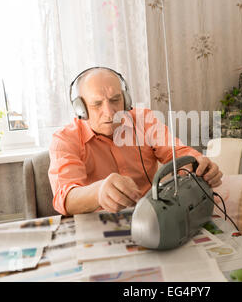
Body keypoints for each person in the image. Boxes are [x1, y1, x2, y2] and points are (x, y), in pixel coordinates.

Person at [48, 67, 223, 216]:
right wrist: (98, 192)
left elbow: (177, 153)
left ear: (126, 100)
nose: (109, 112)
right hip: (98, 224)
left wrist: (198, 164)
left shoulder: (144, 120)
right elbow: (65, 198)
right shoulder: (64, 139)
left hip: (152, 216)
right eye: (97, 104)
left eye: (115, 100)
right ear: (81, 109)